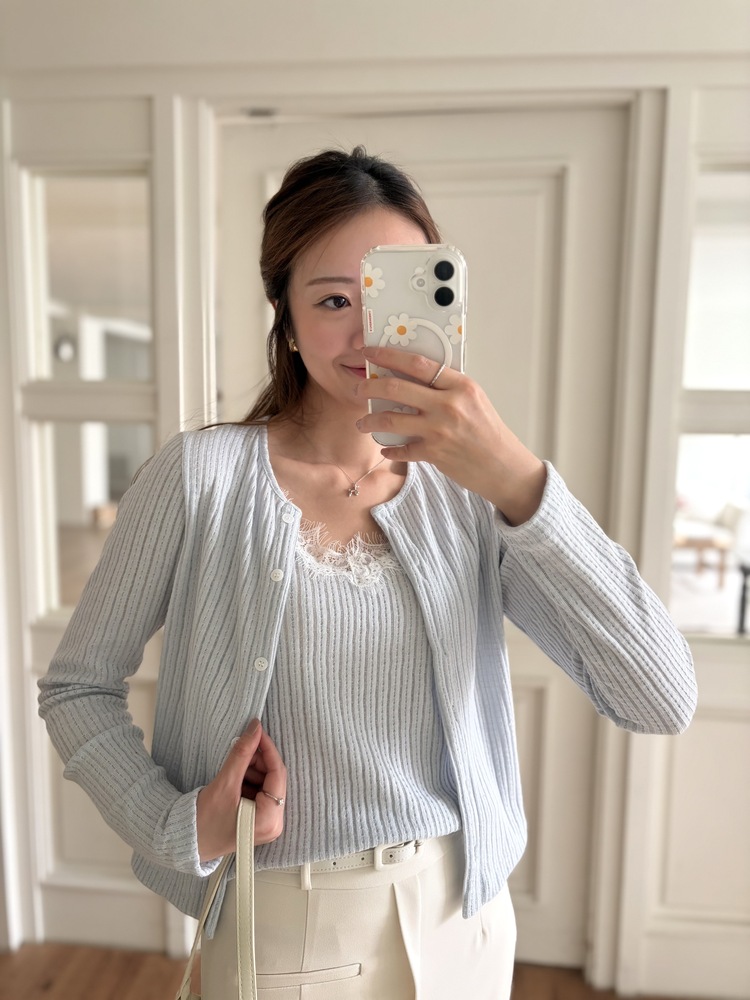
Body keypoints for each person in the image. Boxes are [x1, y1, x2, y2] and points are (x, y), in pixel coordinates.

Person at [39, 146, 697, 1000]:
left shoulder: (476, 493)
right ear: (283, 311)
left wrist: (516, 477)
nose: (367, 333)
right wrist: (176, 824)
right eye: (334, 300)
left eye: (393, 295)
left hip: (467, 920)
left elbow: (660, 696)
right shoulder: (202, 479)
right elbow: (77, 687)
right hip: (286, 929)